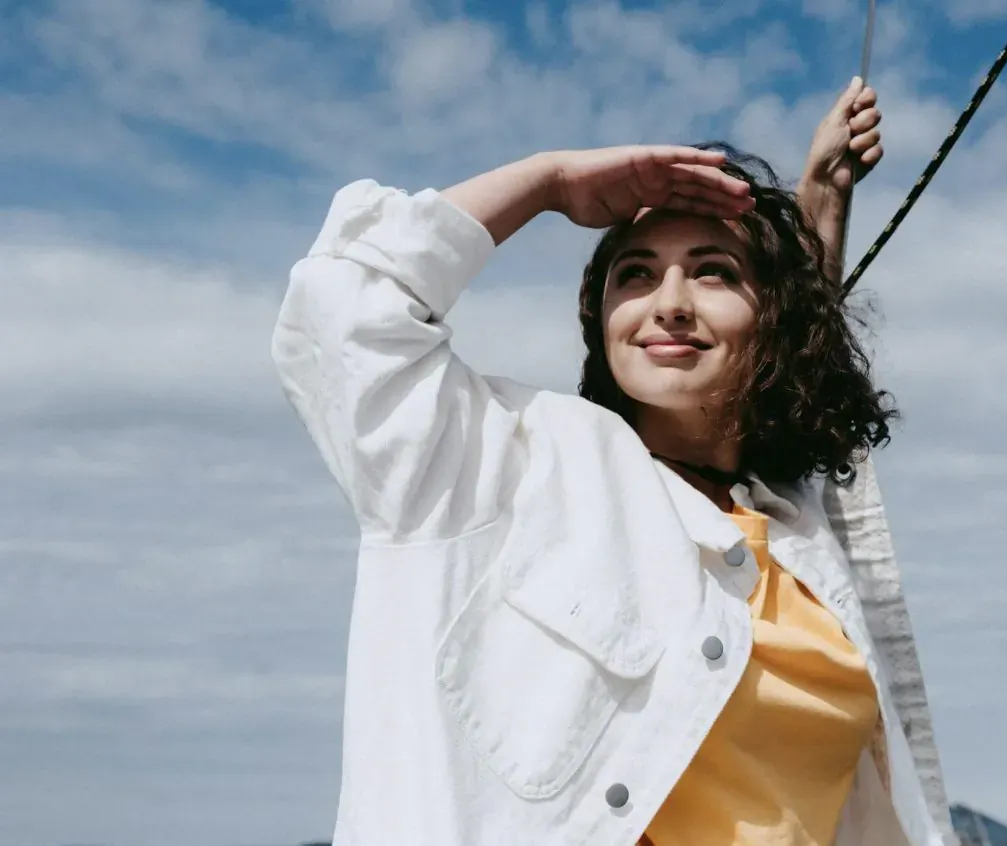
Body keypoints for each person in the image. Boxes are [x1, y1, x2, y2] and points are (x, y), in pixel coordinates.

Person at [272, 77, 941, 846]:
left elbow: (799, 368)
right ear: (602, 320)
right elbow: (342, 310)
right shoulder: (499, 463)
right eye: (636, 274)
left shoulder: (795, 529)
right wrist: (550, 181)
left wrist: (820, 201)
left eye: (714, 271)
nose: (671, 301)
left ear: (773, 319)